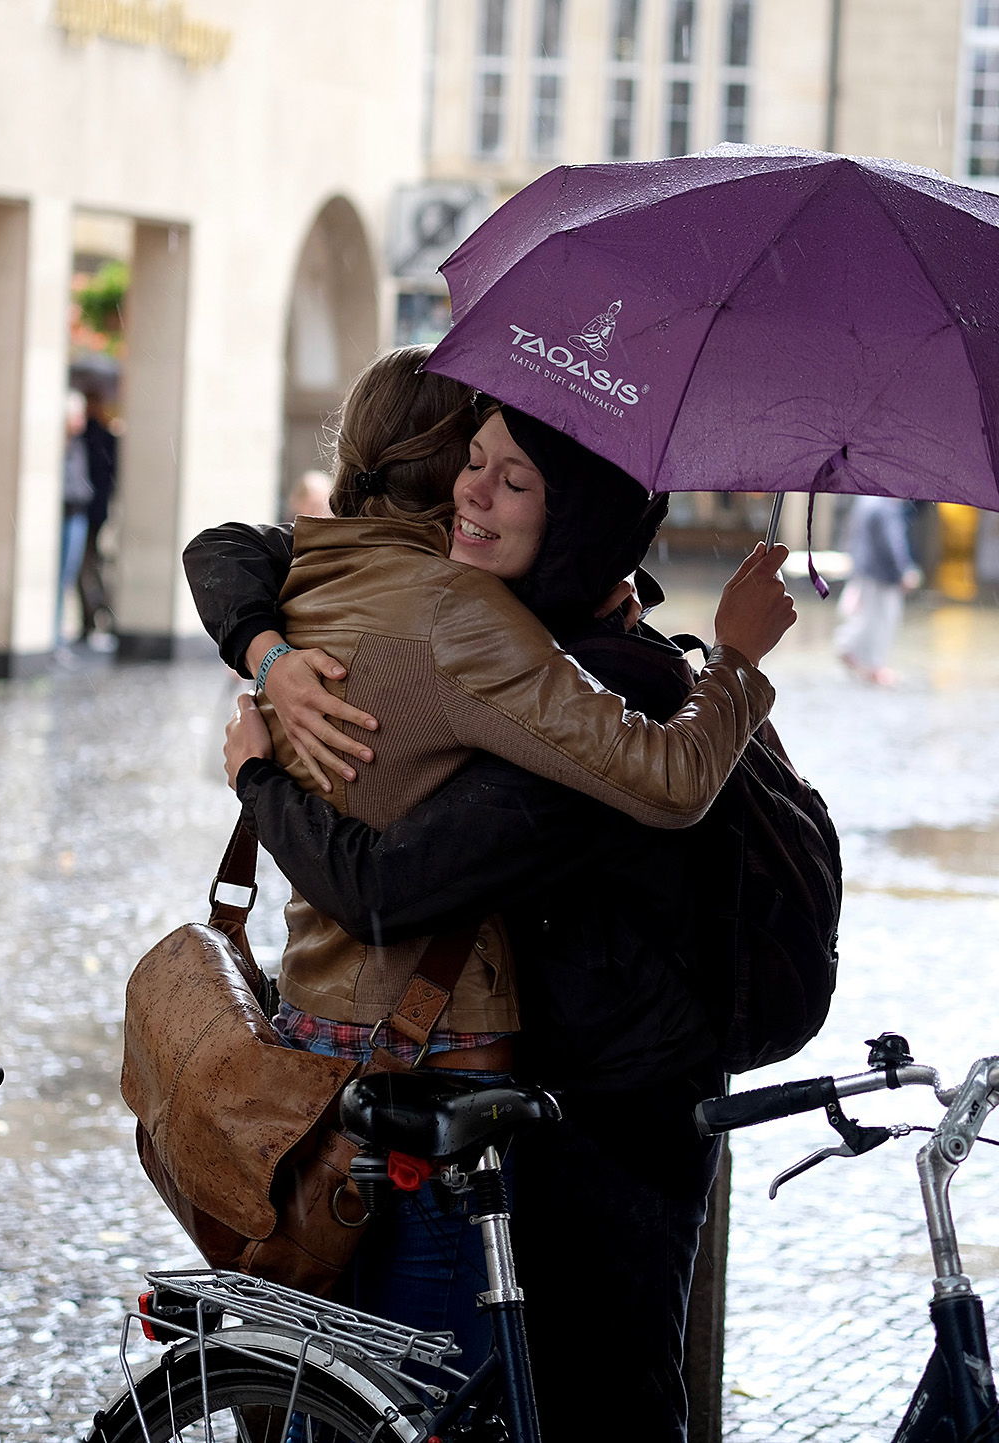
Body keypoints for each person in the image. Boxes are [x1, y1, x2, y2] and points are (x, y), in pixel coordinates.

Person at [183, 347, 794, 1421]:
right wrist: (267, 656)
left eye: (512, 479)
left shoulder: (559, 661)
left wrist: (258, 767)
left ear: (578, 520)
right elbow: (230, 544)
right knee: (455, 1395)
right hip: (480, 1087)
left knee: (586, 1394)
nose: (473, 490)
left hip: (604, 1123)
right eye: (473, 459)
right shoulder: (471, 614)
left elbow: (380, 882)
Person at [834, 494, 921, 685]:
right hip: (883, 573)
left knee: (870, 616)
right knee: (882, 619)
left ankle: (859, 654)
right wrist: (903, 570)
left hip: (867, 569)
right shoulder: (886, 504)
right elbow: (893, 540)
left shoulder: (865, 500)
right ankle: (869, 662)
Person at [77, 390, 119, 643]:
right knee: (90, 566)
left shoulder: (96, 438)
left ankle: (98, 614)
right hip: (92, 508)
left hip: (92, 510)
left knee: (90, 565)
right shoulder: (97, 437)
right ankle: (96, 615)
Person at [56, 390, 94, 648]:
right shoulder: (63, 446)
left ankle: (57, 638)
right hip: (66, 514)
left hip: (78, 514)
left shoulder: (80, 444)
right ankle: (54, 638)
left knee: (68, 577)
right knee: (60, 578)